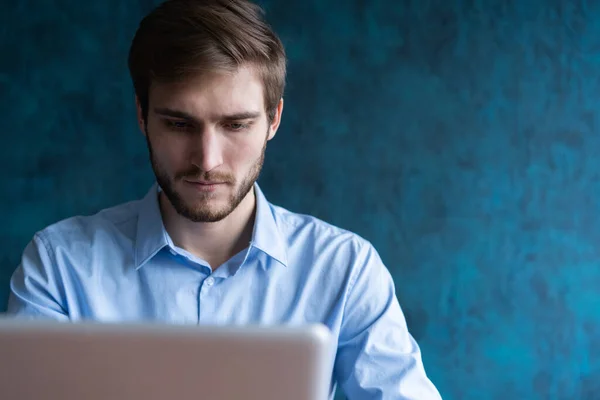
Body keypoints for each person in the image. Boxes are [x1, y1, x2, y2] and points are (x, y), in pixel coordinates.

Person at [6, 0, 442, 398]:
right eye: (179, 124)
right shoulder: (59, 267)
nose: (207, 161)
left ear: (273, 119)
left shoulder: (344, 270)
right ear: (142, 115)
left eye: (235, 125)